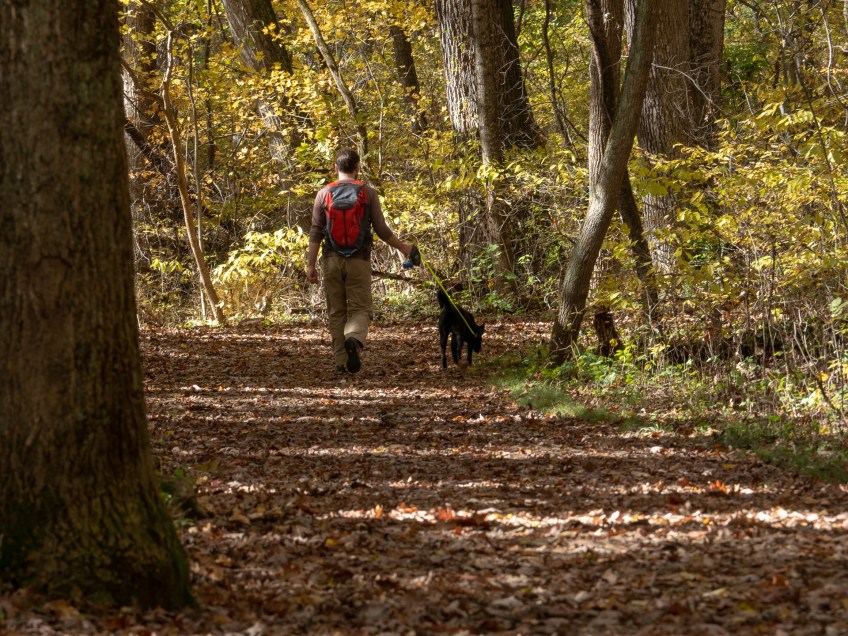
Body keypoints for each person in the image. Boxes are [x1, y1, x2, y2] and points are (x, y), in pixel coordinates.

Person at [306, 149, 413, 373]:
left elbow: (316, 232)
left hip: (331, 259)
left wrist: (311, 265)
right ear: (357, 167)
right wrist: (404, 247)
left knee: (336, 311)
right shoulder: (368, 193)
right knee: (360, 309)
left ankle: (340, 362)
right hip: (359, 260)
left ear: (336, 168)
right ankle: (354, 338)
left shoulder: (323, 194)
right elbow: (382, 230)